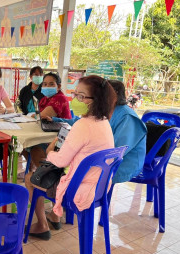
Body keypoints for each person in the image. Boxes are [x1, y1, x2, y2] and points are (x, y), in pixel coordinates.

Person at [25, 75, 116, 240]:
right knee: (55, 172)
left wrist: (51, 150)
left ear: (97, 100)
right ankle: (54, 216)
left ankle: (42, 225)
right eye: (75, 94)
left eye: (81, 96)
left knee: (31, 178)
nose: (75, 100)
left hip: (78, 187)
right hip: (99, 186)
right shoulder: (104, 122)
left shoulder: (83, 125)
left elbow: (60, 161)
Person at [52, 80, 147, 184]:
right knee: (64, 164)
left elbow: (116, 152)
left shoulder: (127, 117)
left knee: (70, 170)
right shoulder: (105, 110)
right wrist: (55, 120)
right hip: (101, 159)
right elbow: (80, 122)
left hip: (122, 165)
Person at [28, 72, 72, 170]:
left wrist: (35, 116)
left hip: (60, 138)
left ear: (59, 86)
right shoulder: (44, 99)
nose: (47, 86)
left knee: (33, 147)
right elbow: (39, 117)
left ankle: (45, 174)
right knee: (24, 145)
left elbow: (42, 115)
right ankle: (37, 169)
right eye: (44, 84)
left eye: (51, 84)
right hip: (48, 133)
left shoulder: (60, 98)